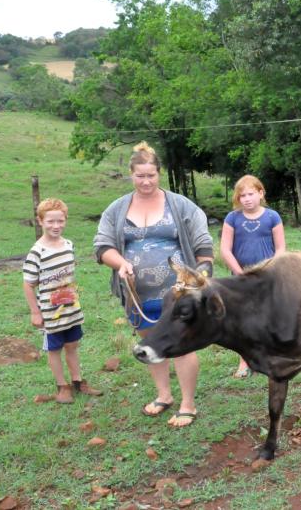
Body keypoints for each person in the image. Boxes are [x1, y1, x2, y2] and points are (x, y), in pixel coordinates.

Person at [94, 142, 214, 427]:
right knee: (152, 343)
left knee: (182, 345)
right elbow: (102, 246)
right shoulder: (117, 209)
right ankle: (164, 396)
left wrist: (199, 276)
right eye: (140, 176)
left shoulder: (181, 205)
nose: (146, 181)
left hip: (178, 295)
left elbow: (203, 246)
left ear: (159, 174)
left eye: (151, 175)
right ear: (131, 175)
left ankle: (188, 404)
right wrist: (120, 263)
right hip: (137, 293)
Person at [23, 198, 103, 404]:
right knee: (54, 348)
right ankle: (62, 386)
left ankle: (78, 382)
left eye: (60, 221)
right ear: (40, 221)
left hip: (71, 308)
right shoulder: (36, 252)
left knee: (73, 344)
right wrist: (35, 312)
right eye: (50, 221)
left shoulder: (68, 245)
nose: (55, 226)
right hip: (50, 313)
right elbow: (28, 284)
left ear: (66, 220)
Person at [220, 175, 286, 378]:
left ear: (261, 193)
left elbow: (281, 248)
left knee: (268, 316)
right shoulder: (232, 218)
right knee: (243, 319)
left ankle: (270, 356)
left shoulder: (272, 216)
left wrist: (270, 269)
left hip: (267, 276)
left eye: (250, 194)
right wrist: (240, 273)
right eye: (242, 196)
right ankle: (244, 360)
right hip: (241, 279)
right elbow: (225, 248)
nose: (247, 199)